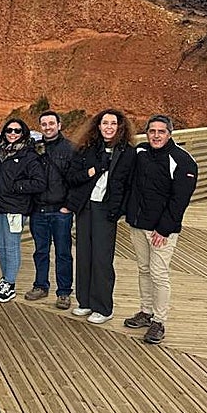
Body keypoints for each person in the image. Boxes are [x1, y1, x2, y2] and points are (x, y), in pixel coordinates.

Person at [121, 115, 198, 344]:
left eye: (161, 131)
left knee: (159, 273)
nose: (156, 135)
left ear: (170, 134)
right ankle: (146, 312)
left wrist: (164, 229)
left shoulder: (182, 161)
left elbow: (180, 199)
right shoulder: (140, 152)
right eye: (152, 131)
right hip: (138, 224)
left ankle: (159, 321)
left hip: (162, 230)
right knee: (144, 269)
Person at [67, 110, 136, 325]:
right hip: (86, 207)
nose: (108, 127)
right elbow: (71, 176)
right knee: (84, 255)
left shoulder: (127, 153)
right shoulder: (87, 149)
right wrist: (91, 171)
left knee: (102, 259)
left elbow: (130, 185)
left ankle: (103, 307)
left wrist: (119, 210)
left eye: (113, 123)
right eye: (104, 123)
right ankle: (85, 301)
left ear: (120, 127)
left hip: (106, 210)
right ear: (98, 126)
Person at [0, 119, 45, 303]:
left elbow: (39, 182)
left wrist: (16, 186)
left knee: (11, 246)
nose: (12, 134)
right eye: (9, 130)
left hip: (16, 209)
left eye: (17, 131)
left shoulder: (30, 156)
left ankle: (10, 284)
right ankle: (5, 280)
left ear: (23, 133)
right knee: (0, 245)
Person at [28, 111, 77, 310]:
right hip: (38, 209)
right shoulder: (34, 148)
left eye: (51, 123)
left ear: (59, 125)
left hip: (60, 210)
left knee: (63, 252)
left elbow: (77, 181)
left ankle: (64, 292)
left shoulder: (71, 149)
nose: (48, 127)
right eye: (44, 124)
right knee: (40, 251)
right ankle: (41, 285)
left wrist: (69, 206)